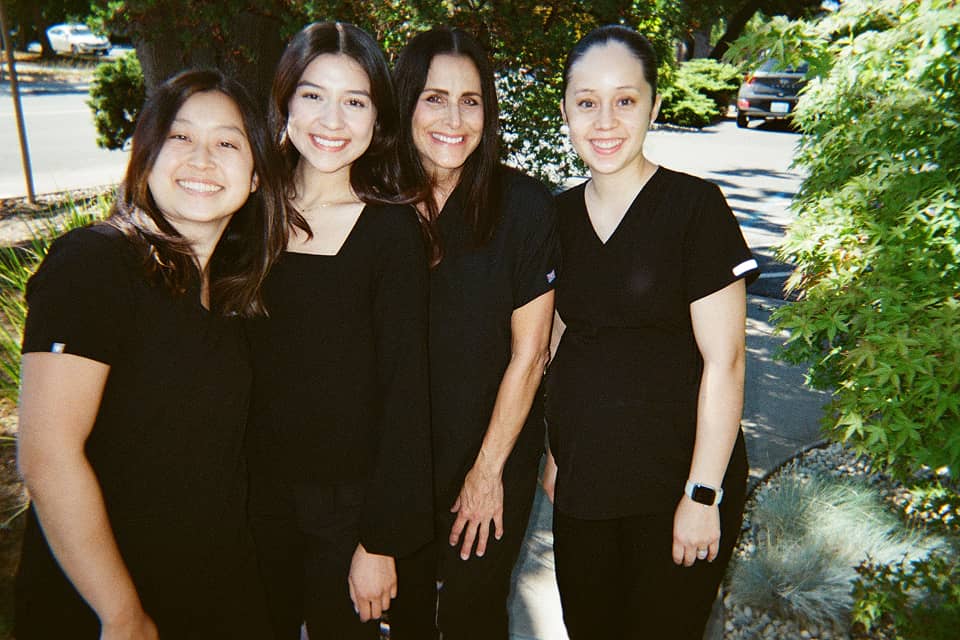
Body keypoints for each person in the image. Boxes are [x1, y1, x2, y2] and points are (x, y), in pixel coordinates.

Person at [14, 68, 286, 639]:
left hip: (218, 598)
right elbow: (47, 456)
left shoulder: (235, 295)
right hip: (105, 609)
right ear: (145, 155)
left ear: (258, 175)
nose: (203, 159)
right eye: (181, 137)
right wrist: (120, 612)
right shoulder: (95, 266)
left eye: (228, 142)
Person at [542, 25, 760, 640]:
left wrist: (703, 494)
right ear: (565, 110)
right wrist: (557, 452)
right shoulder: (554, 217)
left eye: (625, 100)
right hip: (585, 484)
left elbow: (727, 364)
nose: (604, 121)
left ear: (654, 105)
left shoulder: (696, 209)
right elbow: (559, 343)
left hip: (677, 485)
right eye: (586, 102)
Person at [244, 21, 433, 640]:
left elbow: (407, 396)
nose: (332, 119)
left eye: (354, 101)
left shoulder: (391, 233)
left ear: (378, 119)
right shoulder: (246, 214)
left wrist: (379, 542)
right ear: (285, 102)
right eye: (313, 95)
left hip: (347, 513)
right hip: (248, 501)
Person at [388, 26, 559, 640]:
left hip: (492, 450)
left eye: (471, 100)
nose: (454, 119)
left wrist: (486, 473)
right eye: (434, 98)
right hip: (393, 460)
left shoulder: (523, 206)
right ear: (405, 103)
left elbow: (531, 352)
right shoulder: (373, 202)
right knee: (398, 614)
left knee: (471, 613)